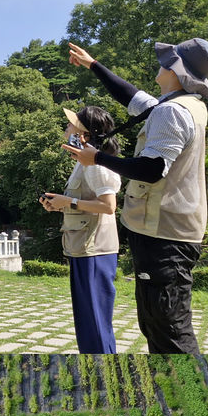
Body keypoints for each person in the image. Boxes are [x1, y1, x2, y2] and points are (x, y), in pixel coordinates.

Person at [63, 38, 208, 354]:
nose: (160, 64)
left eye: (167, 61)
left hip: (164, 234)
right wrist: (93, 65)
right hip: (166, 230)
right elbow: (130, 95)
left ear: (175, 70)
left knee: (169, 326)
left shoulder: (172, 112)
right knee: (155, 321)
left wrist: (95, 158)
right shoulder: (182, 105)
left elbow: (151, 169)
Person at [39, 105, 122, 353]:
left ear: (84, 132)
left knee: (95, 324)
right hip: (83, 247)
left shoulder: (96, 164)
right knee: (88, 324)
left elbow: (108, 206)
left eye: (72, 124)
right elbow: (84, 203)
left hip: (95, 249)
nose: (67, 127)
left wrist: (70, 202)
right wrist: (58, 204)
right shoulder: (83, 161)